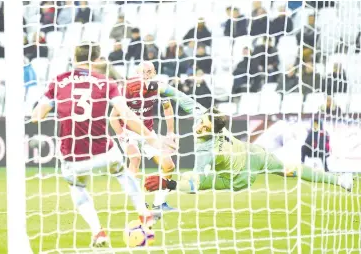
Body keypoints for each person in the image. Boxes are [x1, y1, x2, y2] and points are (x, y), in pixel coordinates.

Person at [31, 42, 160, 247]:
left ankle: (98, 232)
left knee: (78, 187)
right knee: (123, 172)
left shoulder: (58, 82)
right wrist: (151, 137)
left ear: (74, 59)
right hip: (104, 150)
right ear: (98, 60)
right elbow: (125, 114)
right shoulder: (106, 82)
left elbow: (37, 116)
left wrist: (48, 105)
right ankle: (144, 213)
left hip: (73, 155)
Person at [144, 108, 353, 193]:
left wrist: (168, 183)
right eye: (200, 123)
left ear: (211, 129)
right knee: (291, 170)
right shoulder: (219, 123)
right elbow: (180, 97)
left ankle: (340, 180)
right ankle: (340, 180)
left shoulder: (205, 151)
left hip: (238, 178)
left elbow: (194, 184)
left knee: (193, 177)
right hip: (254, 155)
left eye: (204, 126)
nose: (199, 127)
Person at [110, 62, 177, 211]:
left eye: (149, 72)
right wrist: (122, 136)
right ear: (136, 73)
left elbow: (167, 108)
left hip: (148, 132)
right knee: (135, 158)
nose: (146, 75)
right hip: (128, 131)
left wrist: (170, 132)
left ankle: (159, 204)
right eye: (143, 72)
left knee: (168, 165)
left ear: (154, 73)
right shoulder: (127, 89)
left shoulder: (159, 87)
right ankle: (138, 203)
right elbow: (113, 117)